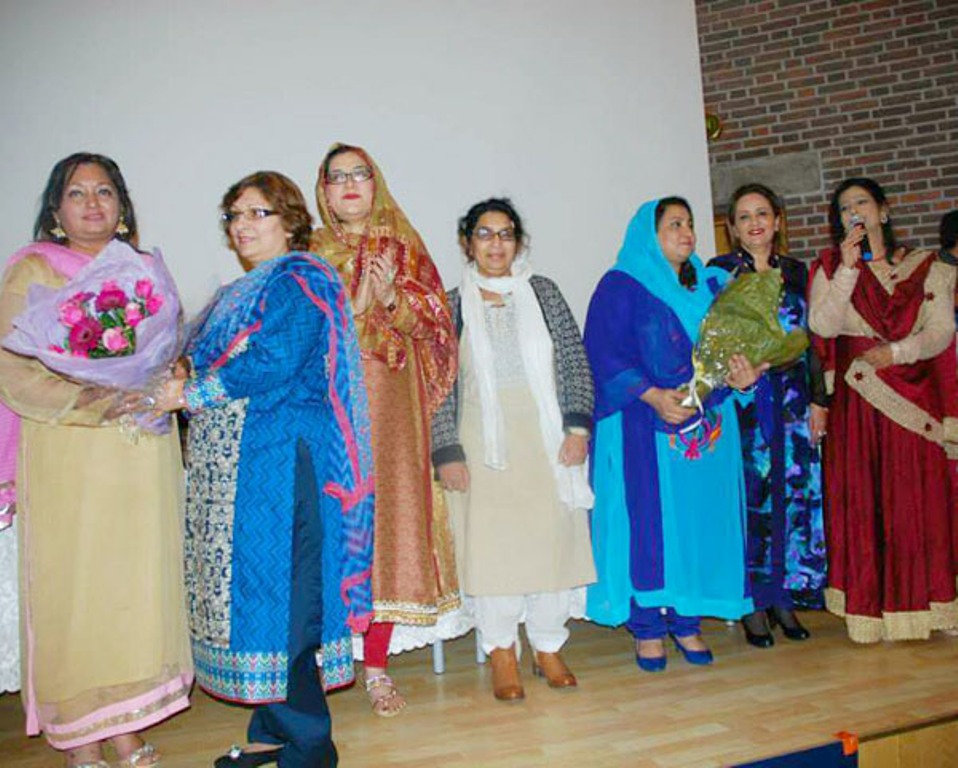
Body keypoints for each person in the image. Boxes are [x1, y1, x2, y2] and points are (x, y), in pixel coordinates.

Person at [154, 171, 374, 767]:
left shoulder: (301, 278)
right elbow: (204, 358)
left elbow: (275, 361)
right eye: (234, 215)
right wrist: (178, 370)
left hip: (283, 462)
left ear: (290, 220)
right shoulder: (239, 292)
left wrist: (190, 394)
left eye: (257, 213)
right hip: (241, 469)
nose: (242, 226)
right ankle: (274, 728)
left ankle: (308, 746)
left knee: (288, 600)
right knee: (259, 598)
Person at [0, 153, 191, 767]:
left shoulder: (141, 270)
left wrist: (165, 375)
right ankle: (82, 737)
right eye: (77, 193)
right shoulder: (32, 269)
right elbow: (13, 368)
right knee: (75, 587)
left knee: (135, 582)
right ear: (56, 211)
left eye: (104, 191)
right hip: (69, 448)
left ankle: (126, 727)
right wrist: (93, 397)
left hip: (139, 448)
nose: (92, 203)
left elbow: (167, 347)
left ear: (122, 206)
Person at [584, 196, 764, 672]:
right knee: (649, 522)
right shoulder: (622, 285)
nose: (686, 233)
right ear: (649, 234)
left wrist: (744, 376)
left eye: (689, 224)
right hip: (645, 427)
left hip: (708, 430)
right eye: (674, 224)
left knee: (697, 523)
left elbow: (734, 353)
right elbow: (603, 352)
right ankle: (647, 626)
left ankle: (687, 620)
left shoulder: (712, 286)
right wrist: (651, 395)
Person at [310, 144, 459, 716]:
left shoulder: (404, 247)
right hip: (330, 414)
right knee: (329, 533)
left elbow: (438, 331)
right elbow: (306, 338)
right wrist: (355, 302)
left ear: (377, 184)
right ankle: (320, 668)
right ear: (323, 191)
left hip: (394, 414)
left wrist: (394, 298)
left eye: (360, 174)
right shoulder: (310, 256)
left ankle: (376, 669)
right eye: (337, 177)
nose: (349, 184)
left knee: (388, 532)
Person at [431, 198, 596, 701]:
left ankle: (548, 646)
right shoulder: (450, 305)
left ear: (518, 242)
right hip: (480, 445)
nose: (496, 244)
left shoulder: (543, 293)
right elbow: (437, 385)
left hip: (547, 443)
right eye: (485, 234)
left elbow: (574, 361)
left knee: (552, 542)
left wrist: (577, 429)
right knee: (493, 550)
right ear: (468, 243)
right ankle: (501, 649)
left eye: (505, 233)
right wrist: (447, 451)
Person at [808, 177, 958, 643]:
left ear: (884, 211)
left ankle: (933, 607)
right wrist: (848, 269)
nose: (854, 211)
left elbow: (941, 332)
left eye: (862, 202)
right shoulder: (831, 266)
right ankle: (876, 612)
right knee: (868, 503)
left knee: (918, 501)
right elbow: (823, 326)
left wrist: (896, 353)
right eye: (844, 207)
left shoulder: (924, 267)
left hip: (912, 397)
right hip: (858, 404)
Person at [711, 183, 827, 647]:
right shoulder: (720, 273)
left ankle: (785, 594)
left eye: (762, 213)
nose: (754, 223)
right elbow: (714, 340)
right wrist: (742, 370)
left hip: (795, 399)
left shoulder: (798, 272)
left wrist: (820, 401)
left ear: (777, 220)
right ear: (732, 228)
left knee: (793, 494)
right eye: (744, 216)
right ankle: (754, 601)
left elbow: (813, 342)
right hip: (746, 399)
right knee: (753, 496)